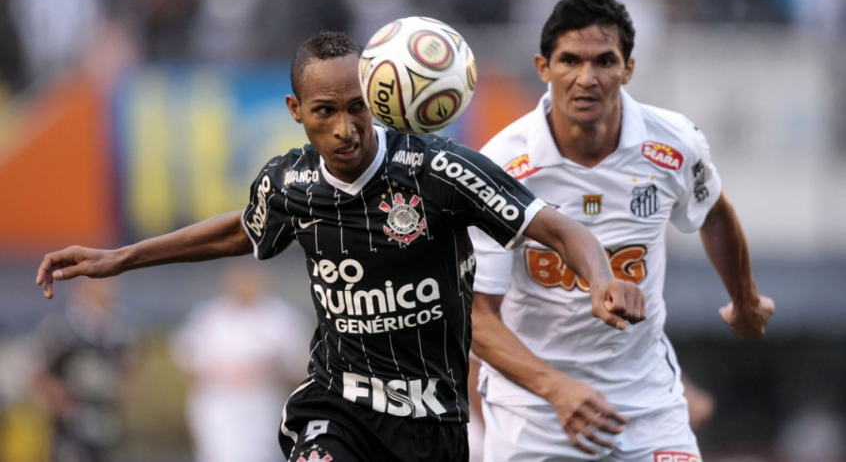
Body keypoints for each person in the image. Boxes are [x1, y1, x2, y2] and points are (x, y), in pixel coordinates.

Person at [36, 30, 647, 462]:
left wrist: (599, 281)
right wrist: (122, 258)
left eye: (358, 108)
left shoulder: (438, 172)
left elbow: (556, 226)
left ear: (378, 100)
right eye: (325, 111)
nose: (345, 128)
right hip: (338, 407)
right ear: (296, 110)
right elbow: (241, 228)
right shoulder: (290, 182)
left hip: (432, 422)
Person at [468, 0, 776, 460]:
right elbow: (476, 317)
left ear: (628, 69)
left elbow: (713, 212)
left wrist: (745, 299)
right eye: (570, 60)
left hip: (645, 402)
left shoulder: (673, 144)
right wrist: (556, 389)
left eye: (604, 62)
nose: (586, 78)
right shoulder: (499, 165)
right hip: (533, 413)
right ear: (542, 67)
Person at [171, 259, 311, 462]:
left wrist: (266, 370)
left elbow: (300, 369)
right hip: (219, 405)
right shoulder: (210, 317)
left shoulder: (281, 318)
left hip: (263, 404)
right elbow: (188, 364)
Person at [28, 278, 134, 462]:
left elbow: (128, 372)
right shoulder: (62, 330)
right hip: (72, 426)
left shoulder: (117, 333)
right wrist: (57, 396)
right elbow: (35, 371)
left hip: (106, 422)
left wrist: (116, 383)